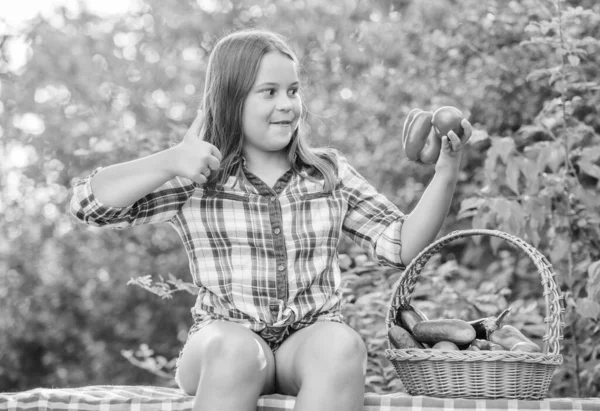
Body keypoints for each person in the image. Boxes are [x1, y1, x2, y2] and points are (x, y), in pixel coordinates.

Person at [71, 28, 472, 411]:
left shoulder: (327, 174)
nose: (287, 104)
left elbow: (401, 246)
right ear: (231, 100)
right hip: (222, 339)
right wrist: (171, 160)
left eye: (292, 91)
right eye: (269, 92)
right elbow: (90, 204)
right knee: (238, 353)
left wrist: (446, 171)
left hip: (307, 342)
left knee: (343, 346)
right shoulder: (198, 175)